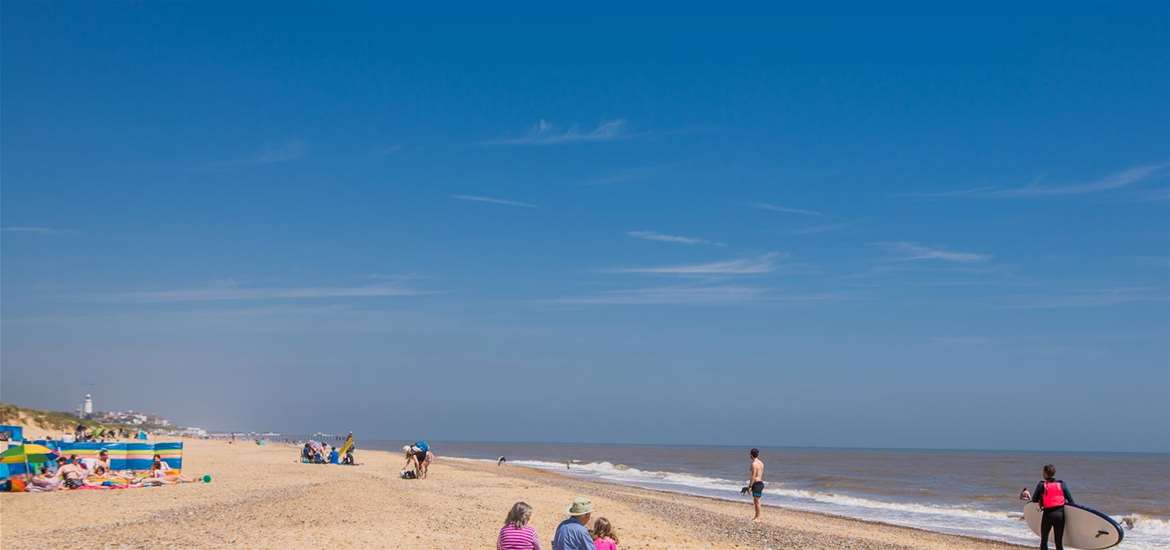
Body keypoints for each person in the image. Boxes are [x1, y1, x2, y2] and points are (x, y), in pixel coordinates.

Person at [1025, 464, 1075, 550]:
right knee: (1058, 541)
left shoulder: (1041, 485)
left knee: (1044, 540)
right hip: (1060, 515)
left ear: (1044, 473)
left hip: (1048, 515)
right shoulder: (1062, 484)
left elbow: (1034, 499)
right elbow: (1071, 501)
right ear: (1054, 473)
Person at [745, 448, 765, 521]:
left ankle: (758, 517)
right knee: (756, 500)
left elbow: (753, 476)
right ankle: (756, 516)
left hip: (756, 484)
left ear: (751, 455)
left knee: (757, 501)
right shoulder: (761, 463)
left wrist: (749, 486)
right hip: (760, 483)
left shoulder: (754, 464)